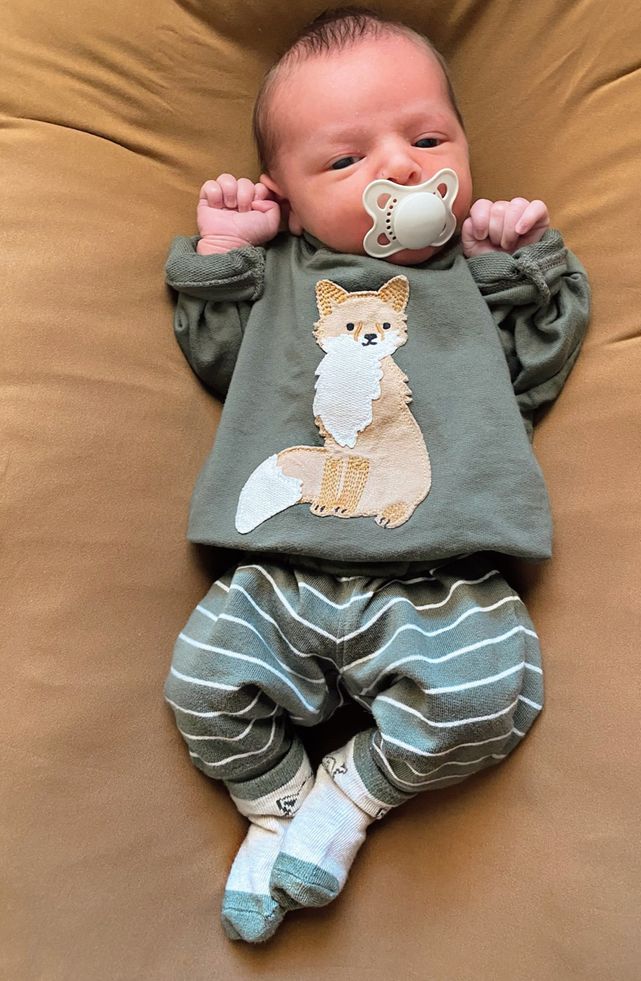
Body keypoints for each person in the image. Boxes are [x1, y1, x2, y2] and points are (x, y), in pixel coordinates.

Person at [163, 6, 590, 944]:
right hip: (281, 567)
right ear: (288, 193)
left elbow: (538, 367)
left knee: (490, 692)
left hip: (440, 573)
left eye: (428, 137)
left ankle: (352, 792)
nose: (399, 167)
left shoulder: (473, 276)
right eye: (345, 161)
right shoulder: (284, 278)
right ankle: (278, 806)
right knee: (200, 686)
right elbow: (216, 355)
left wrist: (519, 263)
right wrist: (229, 248)